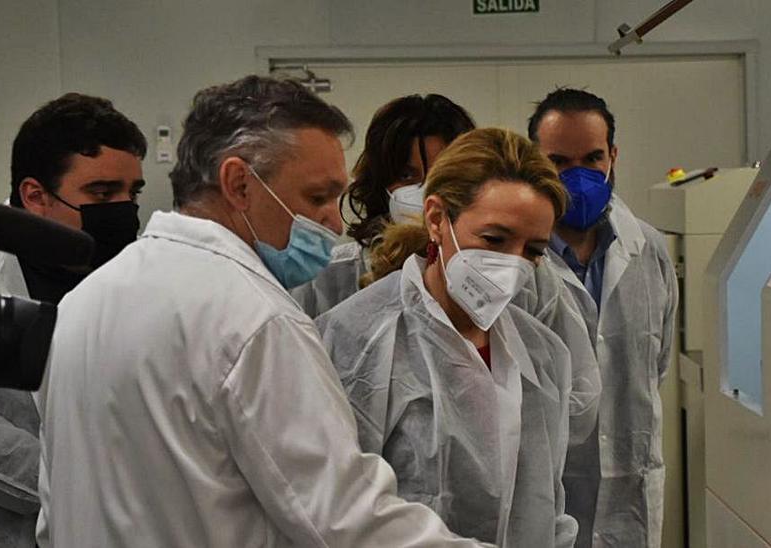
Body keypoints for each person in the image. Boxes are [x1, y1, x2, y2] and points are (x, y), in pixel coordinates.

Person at [35, 76, 485, 547]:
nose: (333, 221)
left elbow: (53, 511)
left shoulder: (82, 303)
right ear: (238, 184)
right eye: (317, 197)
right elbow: (345, 522)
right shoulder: (253, 318)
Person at [318, 128, 578, 547]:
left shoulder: (541, 353)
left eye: (533, 250)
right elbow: (336, 506)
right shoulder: (357, 338)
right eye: (494, 239)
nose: (511, 265)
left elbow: (549, 507)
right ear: (437, 219)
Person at [0, 93, 146, 548]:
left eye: (133, 192)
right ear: (35, 195)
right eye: (102, 193)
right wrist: (77, 489)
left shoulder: (137, 279)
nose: (125, 209)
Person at [527, 88, 679, 548]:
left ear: (613, 156)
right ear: (534, 162)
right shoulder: (516, 258)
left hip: (630, 486)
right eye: (558, 161)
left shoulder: (648, 249)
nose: (578, 177)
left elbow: (658, 362)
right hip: (545, 491)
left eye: (592, 158)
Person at [291, 94, 475, 318]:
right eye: (406, 175)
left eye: (444, 174)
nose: (428, 191)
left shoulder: (494, 274)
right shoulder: (328, 278)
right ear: (379, 182)